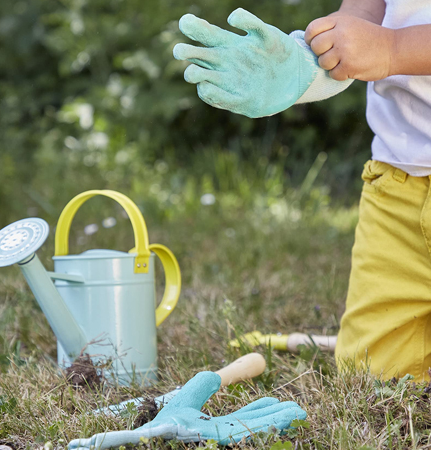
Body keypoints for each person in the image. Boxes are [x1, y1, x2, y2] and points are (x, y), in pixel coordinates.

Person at [173, 0, 431, 380]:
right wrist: (311, 64)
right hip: (395, 185)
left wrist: (391, 49)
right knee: (371, 377)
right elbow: (362, 12)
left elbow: (384, 46)